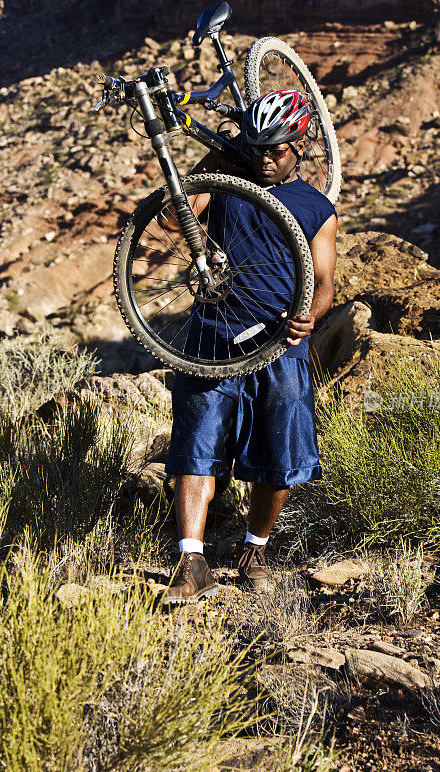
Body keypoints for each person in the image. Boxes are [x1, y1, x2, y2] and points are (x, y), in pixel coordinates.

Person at [161, 89, 338, 604]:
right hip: (214, 335)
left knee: (279, 454)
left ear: (299, 146)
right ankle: (191, 561)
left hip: (282, 343)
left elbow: (325, 282)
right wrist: (222, 151)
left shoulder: (315, 207)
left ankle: (255, 548)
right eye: (257, 146)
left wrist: (312, 316)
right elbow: (174, 218)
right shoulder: (226, 184)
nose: (265, 157)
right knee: (195, 444)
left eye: (277, 149)